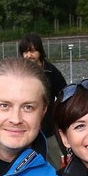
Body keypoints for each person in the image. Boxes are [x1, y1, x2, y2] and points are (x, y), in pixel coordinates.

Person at [18, 33, 67, 165]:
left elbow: (65, 94)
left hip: (48, 129)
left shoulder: (52, 72)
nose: (29, 55)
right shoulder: (19, 73)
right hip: (24, 128)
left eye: (32, 51)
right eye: (25, 52)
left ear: (40, 51)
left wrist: (56, 114)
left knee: (55, 165)